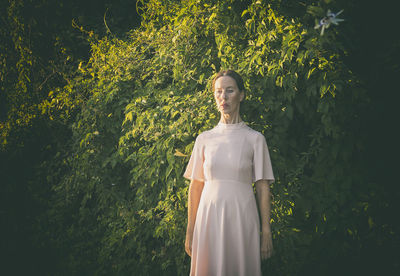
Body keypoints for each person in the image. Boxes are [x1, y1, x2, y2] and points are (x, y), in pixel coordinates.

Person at [183, 70, 275, 276]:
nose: (223, 97)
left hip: (242, 219)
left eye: (229, 91)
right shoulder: (204, 139)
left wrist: (266, 231)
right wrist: (190, 230)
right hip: (208, 220)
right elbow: (196, 186)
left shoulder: (255, 139)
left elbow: (262, 187)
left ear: (241, 95)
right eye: (218, 92)